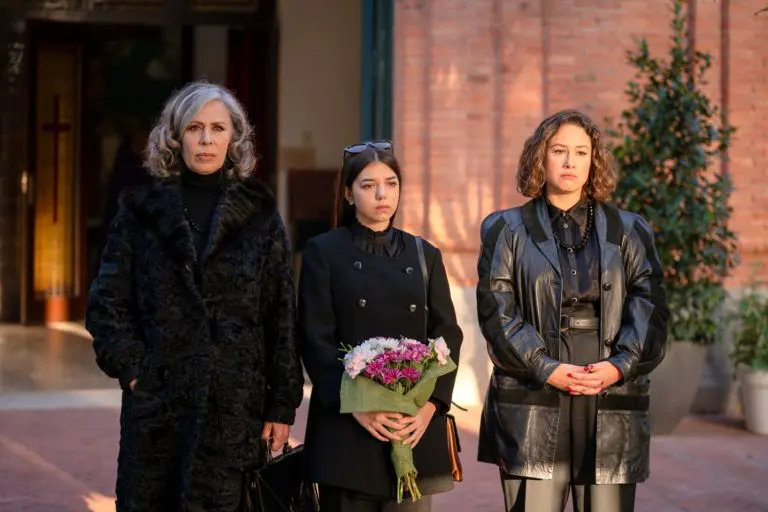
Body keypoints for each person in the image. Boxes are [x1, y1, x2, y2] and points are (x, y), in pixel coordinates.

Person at [86, 81, 304, 512]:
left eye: (218, 129)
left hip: (235, 414)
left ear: (234, 138)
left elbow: (281, 313)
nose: (206, 139)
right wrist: (137, 374)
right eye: (195, 128)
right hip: (158, 417)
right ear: (174, 135)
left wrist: (282, 404)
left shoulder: (259, 213)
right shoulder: (140, 210)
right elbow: (107, 304)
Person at [476, 109, 669, 512]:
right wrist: (547, 368)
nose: (570, 162)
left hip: (610, 382)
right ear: (539, 158)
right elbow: (497, 312)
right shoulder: (506, 229)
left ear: (593, 160)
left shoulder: (630, 229)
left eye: (581, 152)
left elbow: (651, 306)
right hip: (534, 385)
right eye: (559, 150)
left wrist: (620, 365)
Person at [298, 141, 463, 512]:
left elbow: (447, 333)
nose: (381, 194)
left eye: (391, 183)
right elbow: (314, 337)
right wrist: (356, 405)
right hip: (348, 431)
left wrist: (431, 407)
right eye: (368, 185)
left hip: (412, 426)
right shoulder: (323, 252)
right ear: (348, 193)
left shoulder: (425, 254)